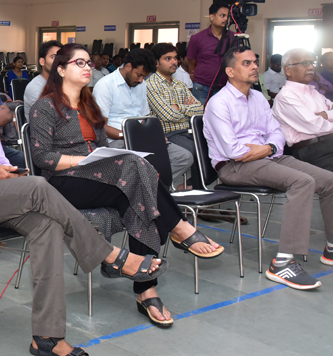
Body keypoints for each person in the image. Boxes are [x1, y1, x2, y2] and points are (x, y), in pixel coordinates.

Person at [0, 37, 167, 356]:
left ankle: (47, 337)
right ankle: (110, 255)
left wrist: (6, 173)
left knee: (47, 225)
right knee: (39, 186)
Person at [30, 43, 220, 327]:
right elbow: (42, 157)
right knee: (134, 168)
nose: (87, 68)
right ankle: (178, 227)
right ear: (60, 69)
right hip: (63, 183)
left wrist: (99, 158)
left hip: (97, 178)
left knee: (140, 199)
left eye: (89, 63)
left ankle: (146, 289)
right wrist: (83, 161)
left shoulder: (89, 104)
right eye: (79, 63)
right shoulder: (45, 107)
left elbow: (102, 146)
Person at [205, 47, 333, 289]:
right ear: (230, 71)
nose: (255, 66)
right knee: (302, 181)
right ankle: (283, 263)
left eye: (255, 62)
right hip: (234, 167)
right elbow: (233, 150)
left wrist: (268, 148)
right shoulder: (218, 103)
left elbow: (277, 133)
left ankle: (331, 249)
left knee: (328, 180)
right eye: (246, 63)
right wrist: (267, 149)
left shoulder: (258, 98)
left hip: (268, 158)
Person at [93, 48, 194, 185]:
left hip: (138, 138)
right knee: (136, 159)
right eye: (139, 75)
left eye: (144, 77)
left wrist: (151, 137)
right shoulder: (105, 85)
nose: (141, 80)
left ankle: (149, 188)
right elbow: (101, 126)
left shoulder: (141, 84)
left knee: (184, 157)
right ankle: (143, 188)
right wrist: (130, 136)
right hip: (116, 141)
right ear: (128, 67)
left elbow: (144, 118)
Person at [146, 43, 205, 189]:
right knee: (198, 151)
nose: (174, 62)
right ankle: (192, 188)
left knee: (214, 148)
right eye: (168, 58)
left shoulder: (180, 85)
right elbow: (167, 115)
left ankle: (191, 186)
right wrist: (187, 109)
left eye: (175, 58)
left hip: (187, 131)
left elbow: (200, 109)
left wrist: (178, 107)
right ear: (156, 62)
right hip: (167, 134)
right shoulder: (151, 84)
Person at [272, 49, 333, 172]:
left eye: (312, 63)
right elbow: (316, 126)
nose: (311, 67)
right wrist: (324, 117)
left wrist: (325, 115)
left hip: (327, 145)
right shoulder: (286, 96)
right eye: (305, 63)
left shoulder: (314, 92)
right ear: (288, 70)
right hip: (312, 151)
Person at [186, 4, 235, 104]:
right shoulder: (197, 38)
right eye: (222, 15)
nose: (226, 19)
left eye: (228, 16)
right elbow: (191, 61)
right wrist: (195, 74)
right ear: (212, 17)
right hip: (203, 87)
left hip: (227, 87)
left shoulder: (234, 37)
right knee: (201, 114)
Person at [24, 41, 62, 119]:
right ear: (42, 61)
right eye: (54, 57)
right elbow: (47, 116)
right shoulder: (35, 87)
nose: (58, 61)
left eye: (61, 58)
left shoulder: (62, 83)